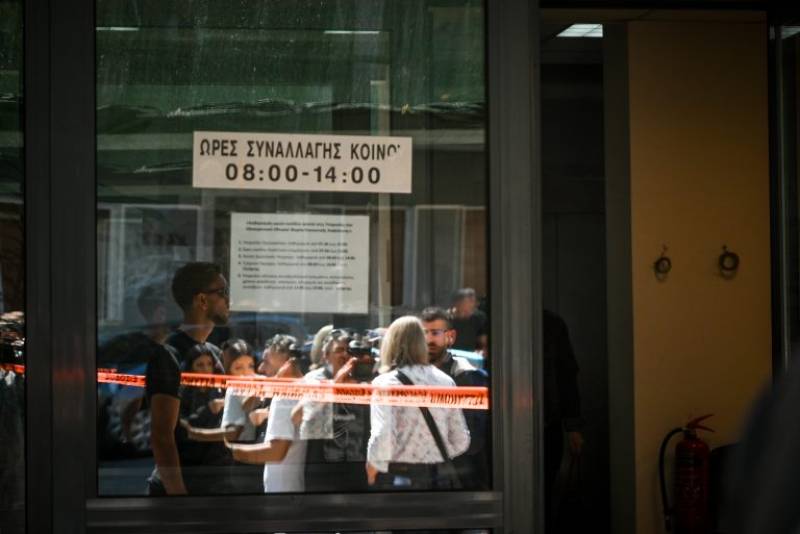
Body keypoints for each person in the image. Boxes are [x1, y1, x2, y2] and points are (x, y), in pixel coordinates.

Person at [145, 261, 230, 495]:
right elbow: (162, 436)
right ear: (202, 300)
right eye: (222, 292)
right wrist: (179, 499)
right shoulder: (169, 354)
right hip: (184, 491)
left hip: (214, 488)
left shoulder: (214, 353)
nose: (228, 300)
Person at [367, 316, 470, 490]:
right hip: (439, 478)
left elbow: (383, 435)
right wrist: (435, 454)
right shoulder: (445, 382)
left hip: (400, 477)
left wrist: (373, 465)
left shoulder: (384, 384)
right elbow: (461, 439)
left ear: (391, 344)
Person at [420, 307, 490, 489]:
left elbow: (473, 440)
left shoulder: (467, 375)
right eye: (424, 333)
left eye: (435, 333)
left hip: (459, 475)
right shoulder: (410, 373)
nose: (428, 339)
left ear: (450, 336)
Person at [296, 329, 374, 492]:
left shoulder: (362, 380)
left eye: (349, 351)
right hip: (322, 471)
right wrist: (335, 385)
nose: (345, 355)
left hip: (357, 469)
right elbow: (300, 418)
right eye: (339, 350)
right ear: (326, 356)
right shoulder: (315, 380)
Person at [225, 358, 307, 493]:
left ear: (287, 363)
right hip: (290, 489)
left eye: (266, 361)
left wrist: (233, 451)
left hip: (282, 494)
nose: (261, 368)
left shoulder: (284, 396)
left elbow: (276, 452)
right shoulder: (300, 390)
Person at [542, 309, 583, 530]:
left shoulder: (552, 324)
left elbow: (566, 375)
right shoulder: (551, 323)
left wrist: (572, 426)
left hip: (548, 422)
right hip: (546, 420)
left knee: (547, 489)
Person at [449, 288, 489, 358]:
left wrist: (482, 351)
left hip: (472, 357)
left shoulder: (479, 318)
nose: (472, 305)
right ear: (457, 304)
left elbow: (484, 342)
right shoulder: (447, 319)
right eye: (469, 301)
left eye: (473, 301)